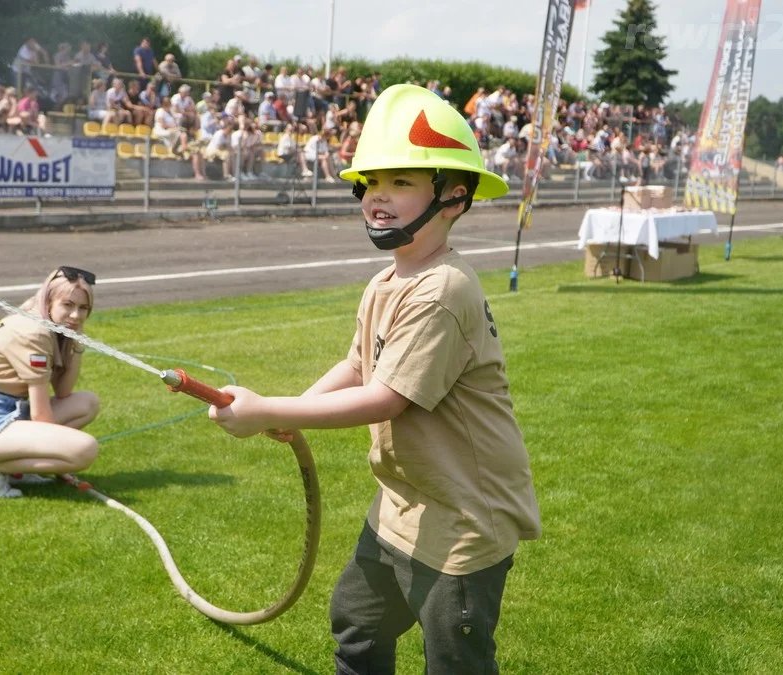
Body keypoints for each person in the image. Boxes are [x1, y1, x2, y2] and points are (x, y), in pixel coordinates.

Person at [207, 84, 541, 674]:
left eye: (402, 182)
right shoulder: (387, 281)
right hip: (401, 504)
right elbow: (361, 364)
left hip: (461, 520)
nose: (379, 198)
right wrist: (290, 408)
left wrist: (270, 410)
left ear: (454, 197)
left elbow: (385, 399)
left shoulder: (443, 291)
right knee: (357, 623)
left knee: (454, 659)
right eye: (372, 184)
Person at [0, 266, 101, 498]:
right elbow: (41, 416)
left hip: (10, 413)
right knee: (85, 450)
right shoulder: (35, 332)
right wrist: (59, 456)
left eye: (83, 308)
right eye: (68, 305)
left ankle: (17, 470)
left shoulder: (47, 322)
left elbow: (63, 391)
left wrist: (77, 340)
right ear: (49, 300)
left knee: (87, 402)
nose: (76, 315)